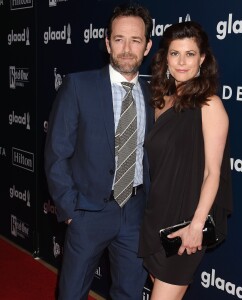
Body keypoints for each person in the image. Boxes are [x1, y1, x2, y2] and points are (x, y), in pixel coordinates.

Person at [44, 4, 153, 300]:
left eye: (136, 40)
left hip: (135, 214)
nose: (127, 48)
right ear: (107, 43)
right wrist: (70, 210)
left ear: (147, 46)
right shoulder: (79, 86)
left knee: (129, 294)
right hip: (87, 213)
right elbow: (57, 153)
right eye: (119, 39)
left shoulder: (154, 95)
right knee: (71, 293)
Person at [138, 21, 232, 299]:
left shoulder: (209, 104)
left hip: (184, 225)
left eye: (190, 54)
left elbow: (213, 173)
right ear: (165, 57)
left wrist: (195, 226)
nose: (181, 62)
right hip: (156, 218)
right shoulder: (159, 100)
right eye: (175, 53)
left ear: (202, 58)